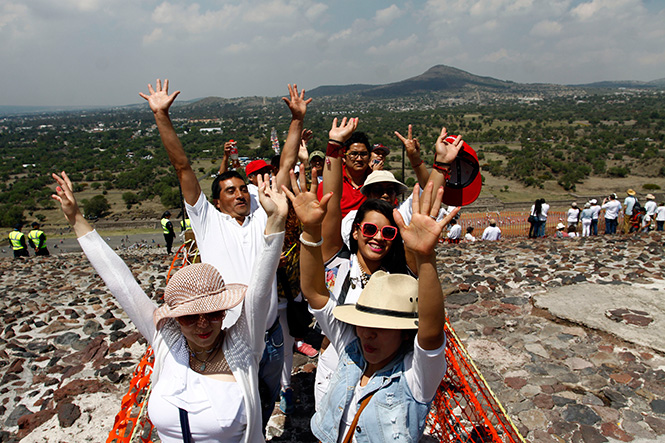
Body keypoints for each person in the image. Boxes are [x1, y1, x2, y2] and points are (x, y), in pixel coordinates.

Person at [52, 171, 287, 443]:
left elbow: (259, 288)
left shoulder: (244, 344)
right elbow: (122, 284)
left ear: (224, 312)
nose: (202, 324)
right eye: (189, 317)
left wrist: (276, 220)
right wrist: (76, 219)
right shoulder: (167, 339)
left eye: (212, 313)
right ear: (175, 318)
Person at [140, 79, 309, 427]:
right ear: (216, 201)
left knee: (264, 401)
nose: (240, 195)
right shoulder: (208, 222)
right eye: (230, 191)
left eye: (243, 189)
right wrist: (162, 116)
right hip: (226, 336)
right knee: (233, 408)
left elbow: (286, 166)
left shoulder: (262, 214)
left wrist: (296, 120)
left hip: (270, 332)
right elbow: (183, 168)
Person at [285, 171, 453, 443]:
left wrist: (425, 258)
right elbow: (314, 292)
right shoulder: (353, 341)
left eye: (383, 327)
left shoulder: (414, 375)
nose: (369, 333)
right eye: (365, 324)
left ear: (403, 333)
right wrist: (310, 230)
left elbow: (432, 334)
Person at [312, 118, 461, 409]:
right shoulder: (342, 262)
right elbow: (330, 209)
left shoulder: (400, 267)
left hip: (391, 375)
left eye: (387, 232)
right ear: (356, 230)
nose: (378, 237)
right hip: (338, 366)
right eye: (368, 230)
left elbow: (426, 205)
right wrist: (333, 148)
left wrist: (439, 166)